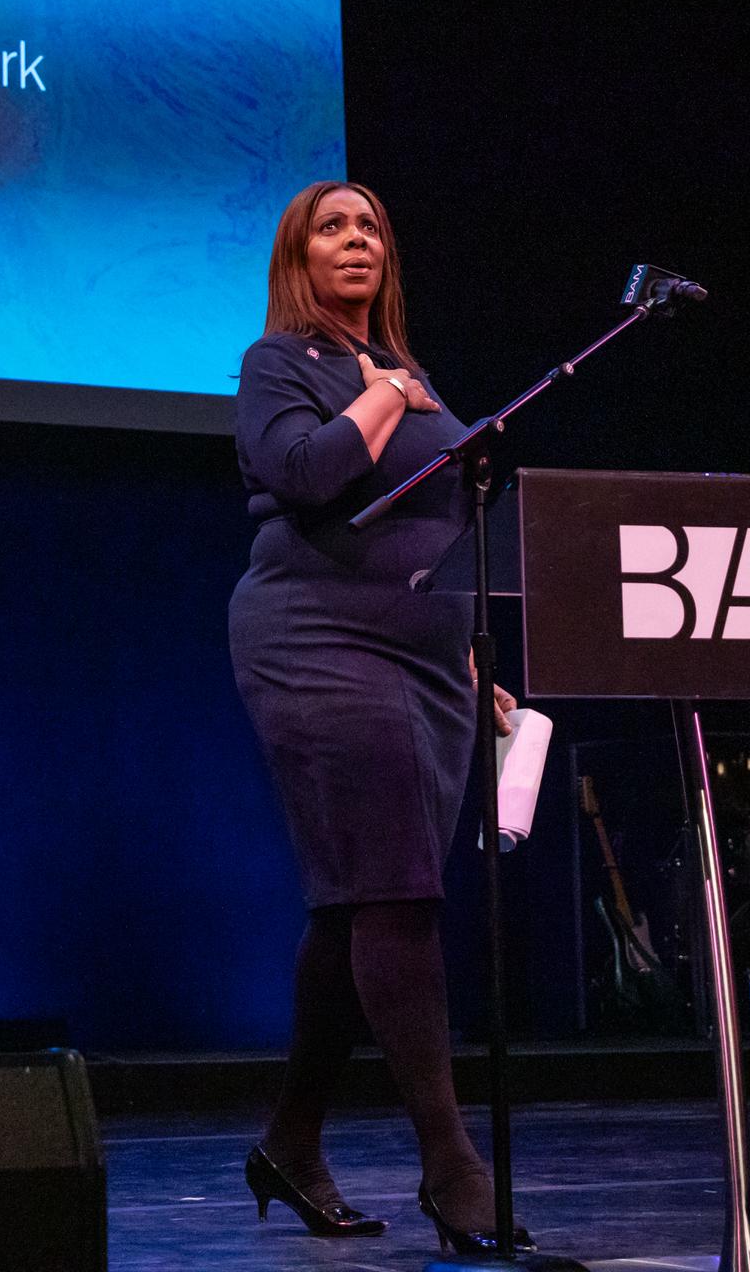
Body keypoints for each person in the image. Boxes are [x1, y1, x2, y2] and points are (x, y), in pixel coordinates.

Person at [228, 180, 527, 1257]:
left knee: (356, 902)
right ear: (298, 256)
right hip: (315, 638)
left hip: (425, 662)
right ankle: (452, 1165)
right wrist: (388, 396)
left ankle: (291, 1141)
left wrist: (466, 656)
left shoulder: (410, 373)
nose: (356, 240)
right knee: (397, 890)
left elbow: (435, 527)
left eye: (371, 228)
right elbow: (303, 471)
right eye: (333, 227)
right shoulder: (283, 366)